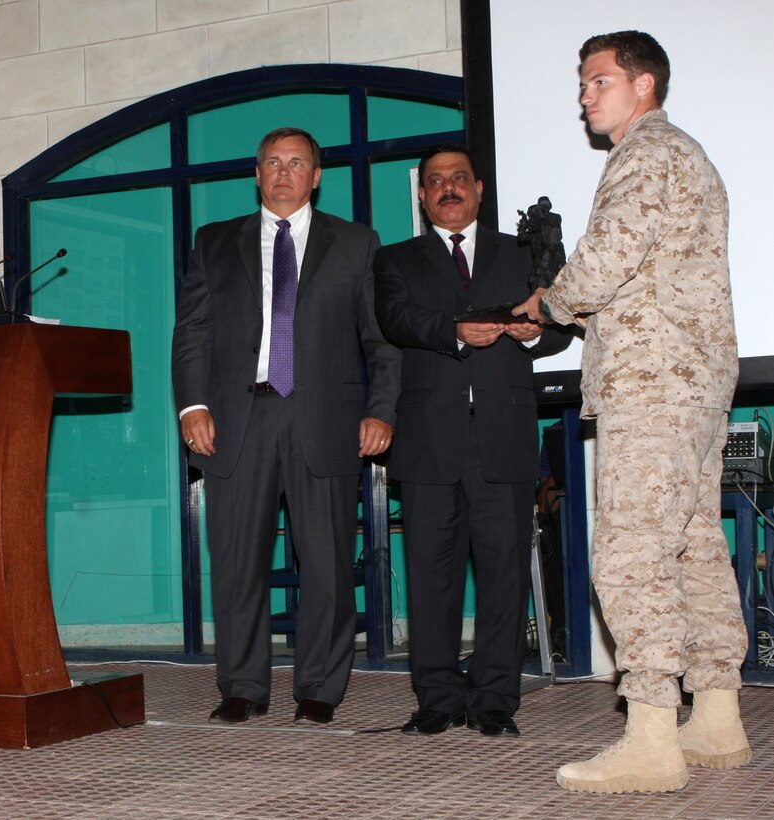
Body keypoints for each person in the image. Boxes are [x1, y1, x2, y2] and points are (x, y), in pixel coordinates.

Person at [514, 30, 749, 794]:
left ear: (643, 84)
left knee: (629, 548)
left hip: (652, 382)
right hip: (695, 381)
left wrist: (547, 302)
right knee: (691, 546)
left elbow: (609, 256)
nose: (585, 94)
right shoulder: (687, 154)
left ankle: (650, 738)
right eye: (582, 83)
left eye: (599, 80)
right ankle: (715, 717)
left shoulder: (645, 152)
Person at [171, 127, 401, 725]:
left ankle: (319, 689)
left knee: (325, 562)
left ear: (316, 176)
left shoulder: (357, 244)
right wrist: (191, 405)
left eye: (296, 162)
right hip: (236, 419)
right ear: (256, 172)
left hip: (324, 418)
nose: (283, 172)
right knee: (236, 560)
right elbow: (191, 331)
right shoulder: (215, 242)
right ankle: (242, 687)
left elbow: (379, 339)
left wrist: (381, 409)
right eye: (272, 161)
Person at [374, 144, 569, 740]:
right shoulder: (395, 258)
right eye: (436, 181)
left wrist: (537, 333)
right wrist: (456, 332)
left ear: (480, 189)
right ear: (422, 194)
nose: (448, 188)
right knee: (432, 575)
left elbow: (560, 332)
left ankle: (493, 701)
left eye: (460, 178)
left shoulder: (522, 254)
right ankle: (435, 697)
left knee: (504, 572)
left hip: (503, 438)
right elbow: (395, 319)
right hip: (429, 442)